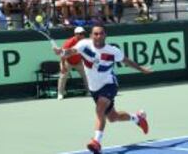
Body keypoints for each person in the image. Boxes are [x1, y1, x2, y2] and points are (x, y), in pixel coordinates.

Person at [54, 25, 151, 153]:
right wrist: (61, 52)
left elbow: (126, 61)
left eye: (101, 33)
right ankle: (137, 118)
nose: (98, 36)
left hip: (109, 84)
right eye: (95, 34)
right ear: (91, 36)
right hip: (94, 88)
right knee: (113, 117)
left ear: (105, 35)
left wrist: (141, 69)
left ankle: (96, 142)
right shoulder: (84, 44)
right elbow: (70, 52)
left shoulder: (113, 51)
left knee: (100, 109)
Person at [57, 27, 88, 100]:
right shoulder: (69, 42)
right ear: (75, 34)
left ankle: (89, 91)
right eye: (80, 34)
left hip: (79, 61)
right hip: (67, 61)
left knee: (87, 75)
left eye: (83, 34)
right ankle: (60, 93)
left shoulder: (84, 42)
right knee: (63, 76)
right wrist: (63, 66)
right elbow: (62, 54)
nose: (82, 35)